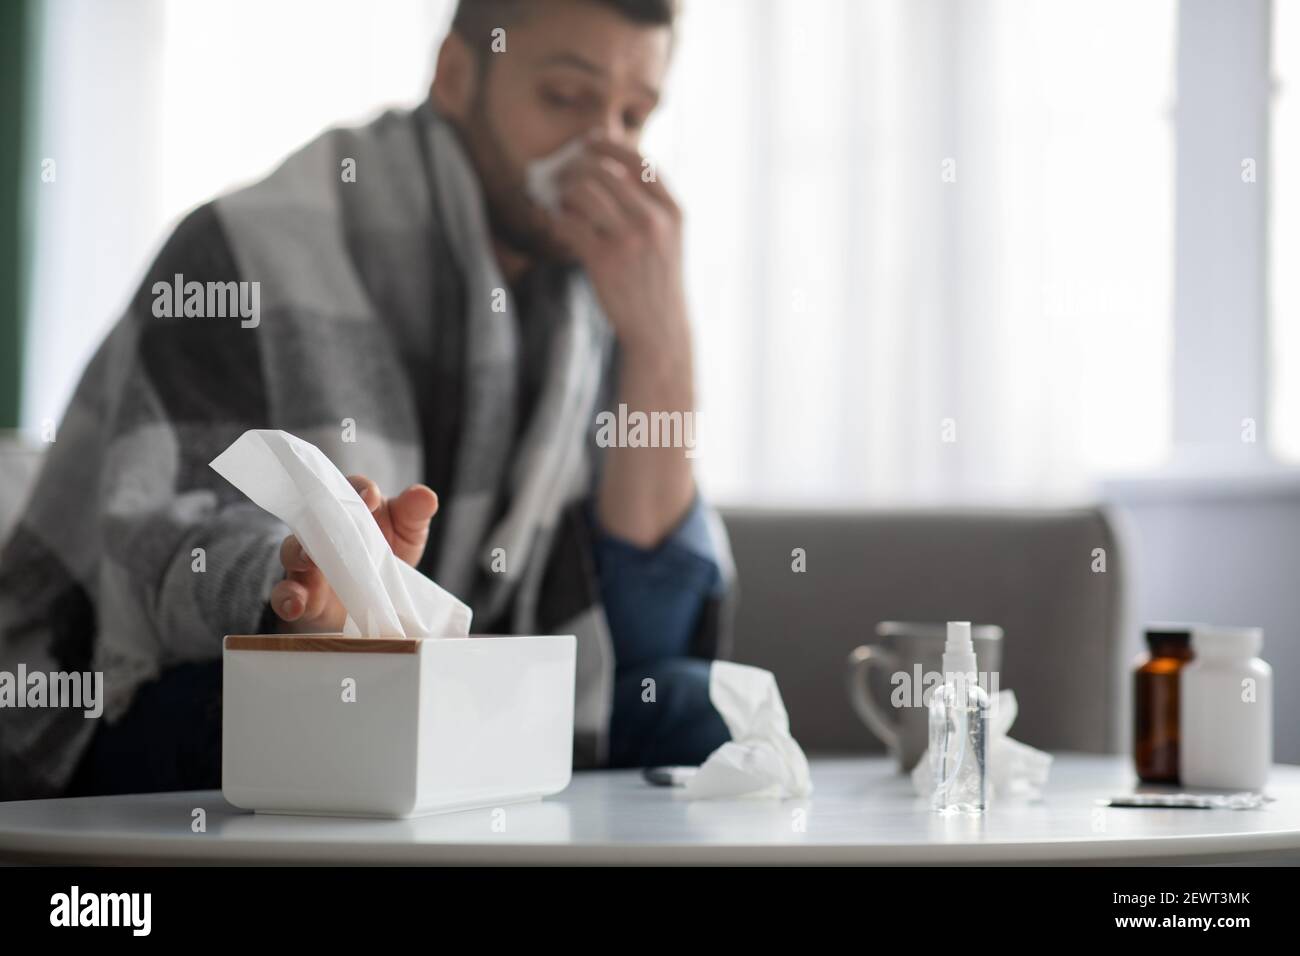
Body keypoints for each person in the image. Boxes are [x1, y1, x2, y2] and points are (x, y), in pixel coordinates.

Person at [0, 0, 735, 801]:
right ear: (457, 76)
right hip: (164, 690)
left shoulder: (598, 292)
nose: (606, 151)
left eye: (635, 115)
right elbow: (158, 553)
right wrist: (301, 597)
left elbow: (634, 640)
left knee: (695, 710)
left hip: (444, 702)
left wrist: (661, 344)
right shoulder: (240, 253)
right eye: (565, 98)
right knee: (313, 718)